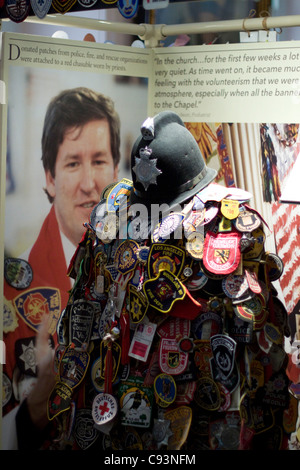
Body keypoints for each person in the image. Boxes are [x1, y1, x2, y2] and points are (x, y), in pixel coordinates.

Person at [6, 111, 292, 451]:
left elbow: (263, 344)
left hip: (198, 415)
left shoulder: (228, 230)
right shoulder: (106, 231)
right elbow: (82, 336)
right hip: (125, 418)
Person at [2, 87, 121, 447]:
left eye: (99, 161)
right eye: (73, 163)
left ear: (116, 169)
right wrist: (38, 403)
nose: (89, 184)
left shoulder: (139, 273)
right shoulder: (10, 292)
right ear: (50, 179)